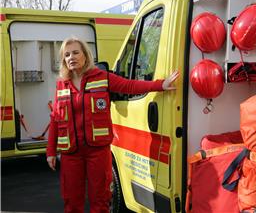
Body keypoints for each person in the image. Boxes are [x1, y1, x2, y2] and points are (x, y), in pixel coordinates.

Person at [46, 37, 179, 213]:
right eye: (67, 54)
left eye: (76, 52)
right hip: (71, 154)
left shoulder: (102, 77)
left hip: (98, 153)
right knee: (71, 202)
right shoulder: (61, 85)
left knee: (100, 200)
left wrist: (160, 85)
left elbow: (129, 86)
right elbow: (55, 119)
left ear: (85, 55)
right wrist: (50, 152)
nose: (71, 57)